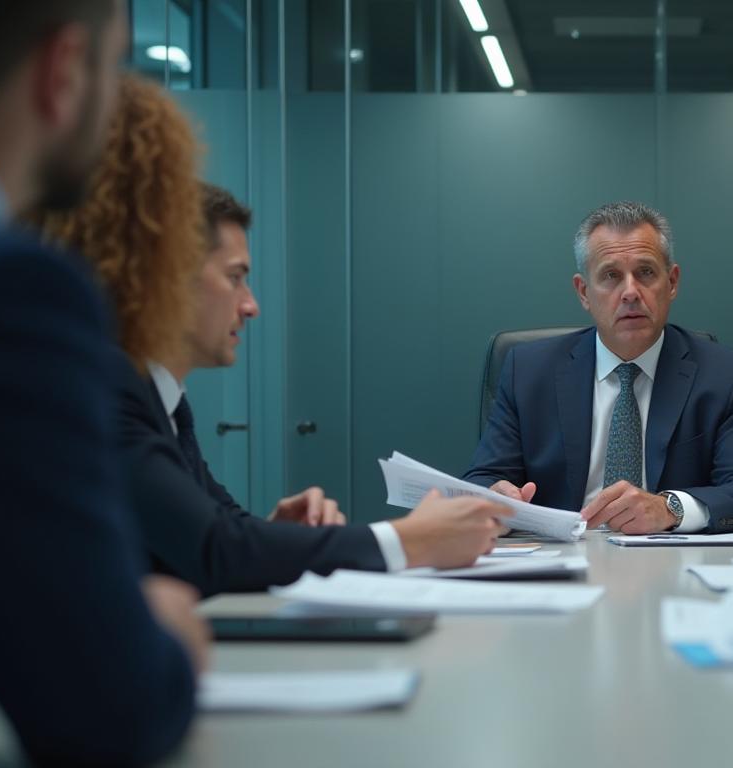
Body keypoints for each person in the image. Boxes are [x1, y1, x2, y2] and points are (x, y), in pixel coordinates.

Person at [41, 86, 511, 595]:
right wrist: (408, 540)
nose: (251, 306)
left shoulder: (164, 402)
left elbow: (224, 531)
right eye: (235, 277)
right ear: (169, 277)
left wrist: (275, 535)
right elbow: (219, 550)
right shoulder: (110, 390)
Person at [0, 2, 201, 764]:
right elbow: (107, 709)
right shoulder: (6, 290)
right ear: (61, 73)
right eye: (114, 65)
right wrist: (160, 635)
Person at [465, 200, 733, 534]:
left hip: (671, 558)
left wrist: (669, 508)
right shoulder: (528, 372)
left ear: (672, 282)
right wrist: (494, 497)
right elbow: (482, 479)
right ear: (584, 292)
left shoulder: (724, 375)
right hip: (561, 558)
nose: (630, 292)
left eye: (646, 272)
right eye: (611, 276)